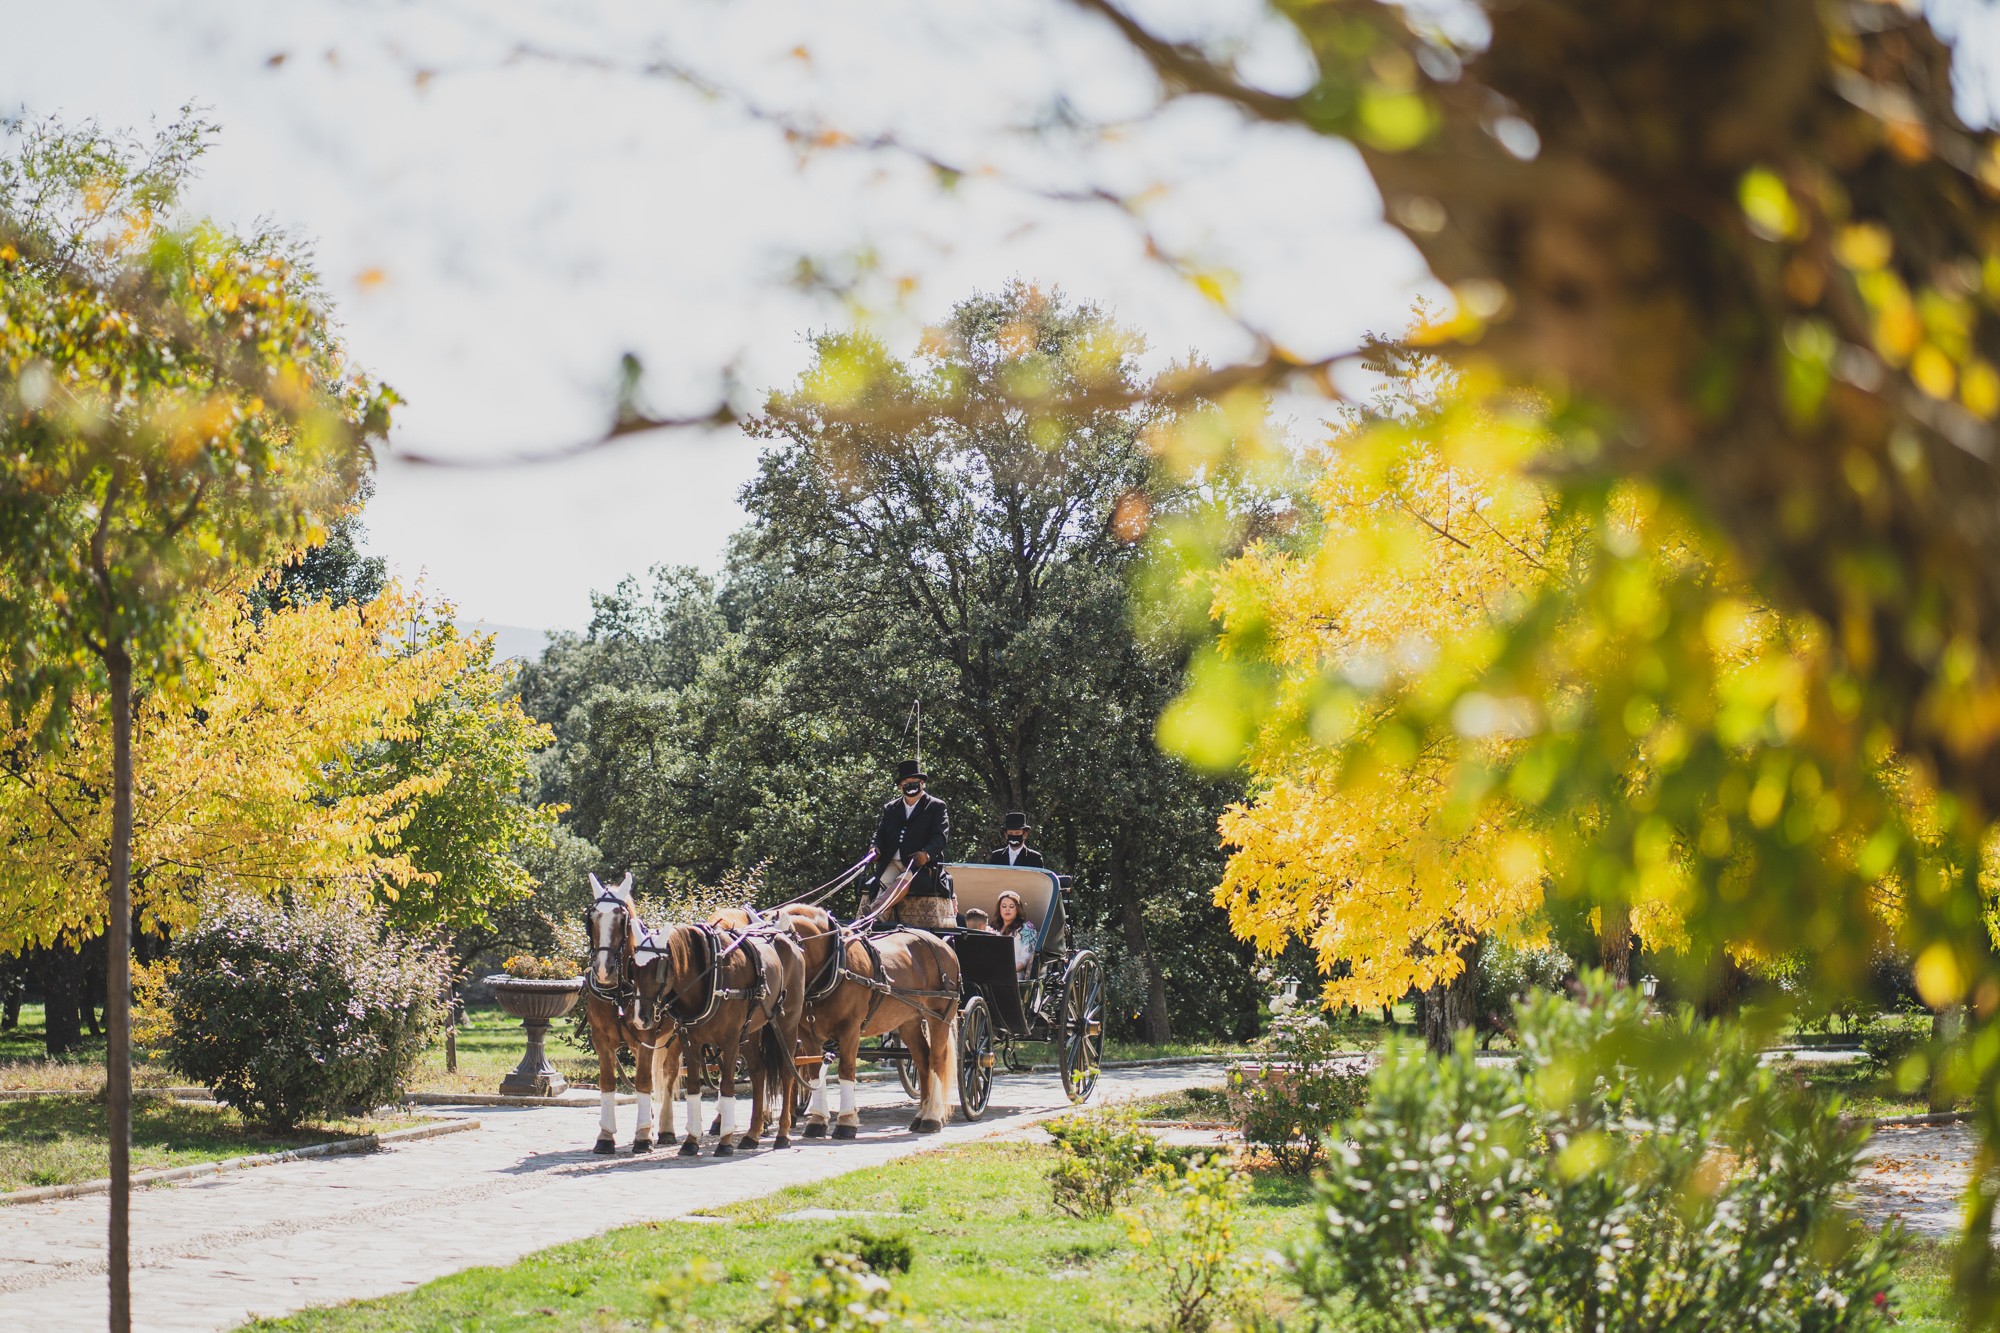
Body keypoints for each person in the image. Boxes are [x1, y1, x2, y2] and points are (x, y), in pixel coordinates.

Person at [867, 759, 956, 930]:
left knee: (902, 881)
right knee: (883, 881)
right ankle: (877, 917)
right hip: (892, 861)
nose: (911, 786)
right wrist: (874, 847)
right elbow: (880, 833)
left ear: (922, 783)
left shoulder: (936, 806)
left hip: (918, 865)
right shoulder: (891, 808)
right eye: (906, 783)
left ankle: (875, 913)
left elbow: (940, 837)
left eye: (914, 782)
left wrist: (926, 853)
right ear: (900, 786)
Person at [995, 889, 1039, 978]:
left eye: (1011, 906)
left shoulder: (1025, 929)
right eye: (1004, 906)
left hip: (1014, 977)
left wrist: (1008, 972)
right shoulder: (994, 929)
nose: (1007, 909)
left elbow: (1026, 958)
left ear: (1017, 909)